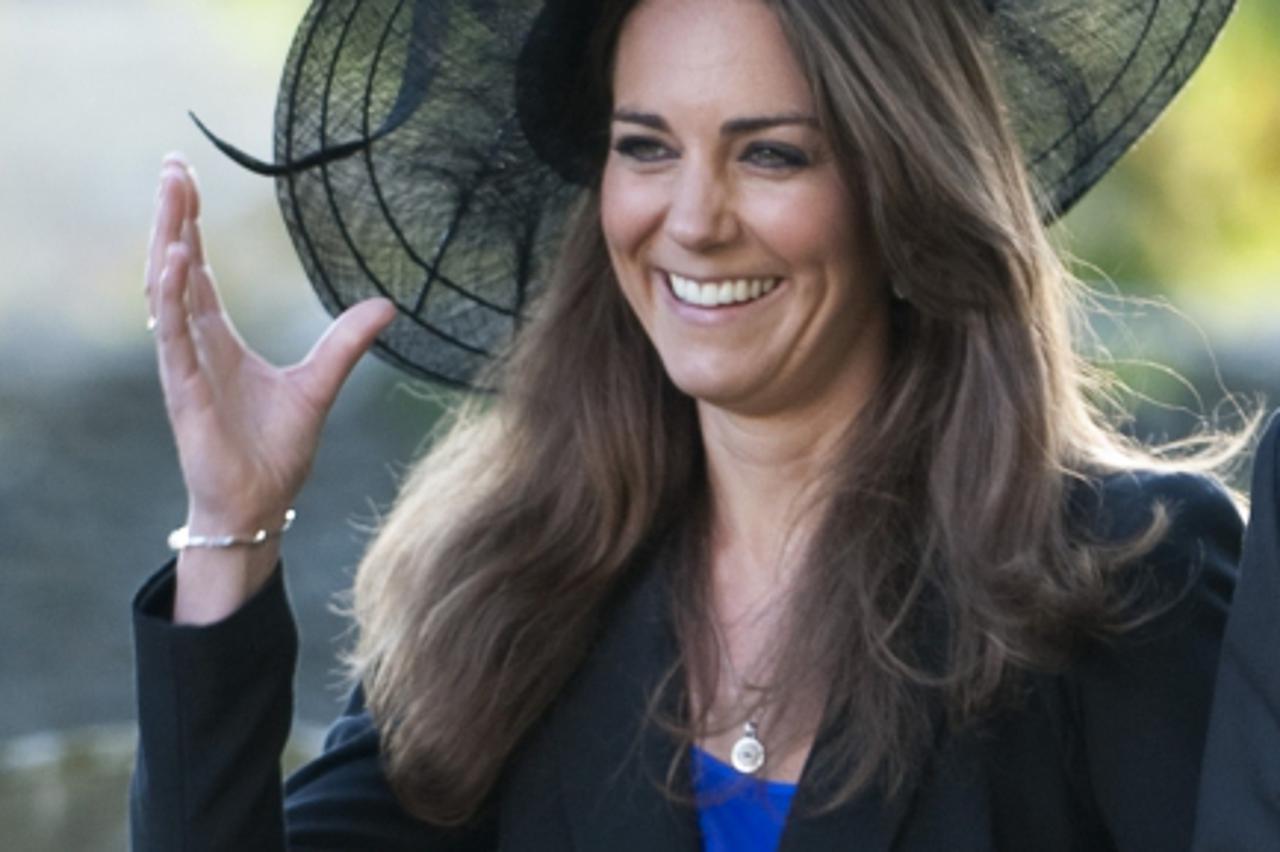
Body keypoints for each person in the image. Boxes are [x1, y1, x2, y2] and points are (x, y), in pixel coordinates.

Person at [131, 0, 1251, 849]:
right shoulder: (511, 592)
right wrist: (233, 528)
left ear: (900, 187)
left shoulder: (1120, 579)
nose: (693, 221)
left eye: (770, 153)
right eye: (645, 147)